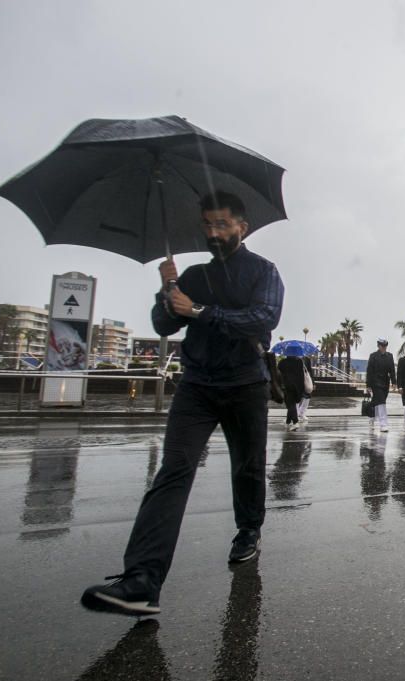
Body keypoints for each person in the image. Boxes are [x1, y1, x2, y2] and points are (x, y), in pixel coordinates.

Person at [81, 190, 284, 616]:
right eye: (207, 225)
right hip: (196, 387)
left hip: (246, 385)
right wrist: (167, 289)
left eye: (222, 225)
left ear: (241, 227)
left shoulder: (263, 272)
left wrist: (201, 311)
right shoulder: (191, 275)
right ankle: (142, 579)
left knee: (247, 466)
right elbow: (164, 322)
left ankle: (249, 528)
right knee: (173, 471)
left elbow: (263, 318)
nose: (213, 233)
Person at [366, 338, 396, 432]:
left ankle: (372, 416)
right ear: (378, 346)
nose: (384, 348)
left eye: (385, 346)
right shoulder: (373, 356)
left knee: (377, 401)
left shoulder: (389, 356)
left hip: (385, 382)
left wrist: (394, 382)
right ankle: (383, 424)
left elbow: (392, 370)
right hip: (376, 382)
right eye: (382, 346)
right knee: (382, 402)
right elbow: (369, 371)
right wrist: (368, 385)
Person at [279, 351, 314, 431]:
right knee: (292, 403)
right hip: (298, 387)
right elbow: (302, 373)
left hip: (288, 386)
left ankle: (295, 422)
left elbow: (279, 371)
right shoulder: (299, 362)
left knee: (290, 404)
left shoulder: (283, 362)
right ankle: (288, 422)